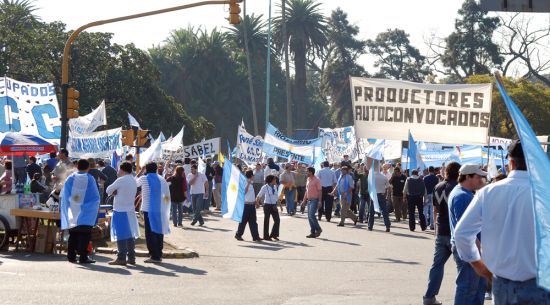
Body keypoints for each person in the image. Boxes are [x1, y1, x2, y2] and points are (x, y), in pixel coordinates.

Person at [454, 140, 550, 304]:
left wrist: (479, 266)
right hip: (539, 283)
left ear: (510, 163)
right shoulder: (545, 193)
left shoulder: (488, 192)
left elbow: (461, 233)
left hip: (502, 283)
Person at [448, 164, 487, 305]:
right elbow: (465, 231)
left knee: (475, 289)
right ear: (468, 177)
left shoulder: (463, 193)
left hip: (470, 249)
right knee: (468, 290)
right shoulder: (463, 196)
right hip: (470, 250)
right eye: (478, 177)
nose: (481, 181)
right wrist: (480, 250)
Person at [423, 161, 461, 305]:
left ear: (446, 172)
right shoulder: (458, 188)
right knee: (462, 268)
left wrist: (436, 229)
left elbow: (435, 210)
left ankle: (429, 297)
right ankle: (460, 299)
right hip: (454, 232)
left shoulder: (437, 187)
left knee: (437, 265)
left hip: (441, 229)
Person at [60, 159, 100, 264]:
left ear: (77, 166)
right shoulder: (90, 179)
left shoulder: (70, 178)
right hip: (86, 212)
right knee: (84, 235)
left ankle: (71, 256)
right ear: (88, 168)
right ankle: (83, 257)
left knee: (73, 235)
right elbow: (95, 196)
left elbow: (65, 195)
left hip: (73, 211)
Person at [136, 162, 171, 264]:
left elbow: (134, 183)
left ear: (146, 169)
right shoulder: (162, 179)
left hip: (148, 209)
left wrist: (140, 172)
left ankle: (154, 255)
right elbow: (166, 195)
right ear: (156, 169)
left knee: (150, 233)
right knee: (159, 232)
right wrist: (166, 206)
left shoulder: (144, 178)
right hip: (160, 209)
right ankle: (158, 254)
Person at [106, 161, 139, 266]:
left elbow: (108, 190)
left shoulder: (121, 180)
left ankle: (121, 258)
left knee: (121, 235)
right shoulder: (133, 179)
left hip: (120, 210)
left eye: (119, 169)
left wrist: (114, 191)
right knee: (129, 235)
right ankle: (131, 257)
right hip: (130, 209)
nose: (118, 171)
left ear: (123, 170)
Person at [235, 170, 261, 242]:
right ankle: (238, 235)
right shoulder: (245, 182)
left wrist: (256, 202)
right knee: (243, 221)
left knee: (253, 222)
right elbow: (244, 192)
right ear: (251, 176)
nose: (254, 177)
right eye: (253, 175)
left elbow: (251, 195)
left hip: (252, 205)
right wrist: (248, 184)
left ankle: (256, 237)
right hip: (246, 205)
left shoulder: (251, 183)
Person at [367, 162, 391, 232]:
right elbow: (388, 187)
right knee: (384, 211)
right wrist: (386, 195)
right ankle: (387, 226)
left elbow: (369, 187)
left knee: (371, 212)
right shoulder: (384, 177)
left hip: (373, 195)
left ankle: (370, 226)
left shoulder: (371, 177)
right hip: (381, 194)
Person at [256, 175, 281, 241]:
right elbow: (259, 195)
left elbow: (276, 196)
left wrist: (280, 205)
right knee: (266, 220)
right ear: (271, 180)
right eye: (274, 179)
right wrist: (257, 203)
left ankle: (274, 234)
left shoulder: (275, 186)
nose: (276, 180)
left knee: (277, 220)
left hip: (274, 205)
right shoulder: (265, 187)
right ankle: (266, 236)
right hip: (267, 205)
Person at [301, 167, 322, 238]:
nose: (306, 173)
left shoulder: (317, 180)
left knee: (311, 215)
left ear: (311, 172)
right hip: (309, 200)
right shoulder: (308, 179)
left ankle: (318, 229)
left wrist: (319, 201)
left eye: (307, 171)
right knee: (309, 217)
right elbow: (306, 191)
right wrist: (304, 200)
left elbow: (320, 191)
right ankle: (312, 232)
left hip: (314, 200)